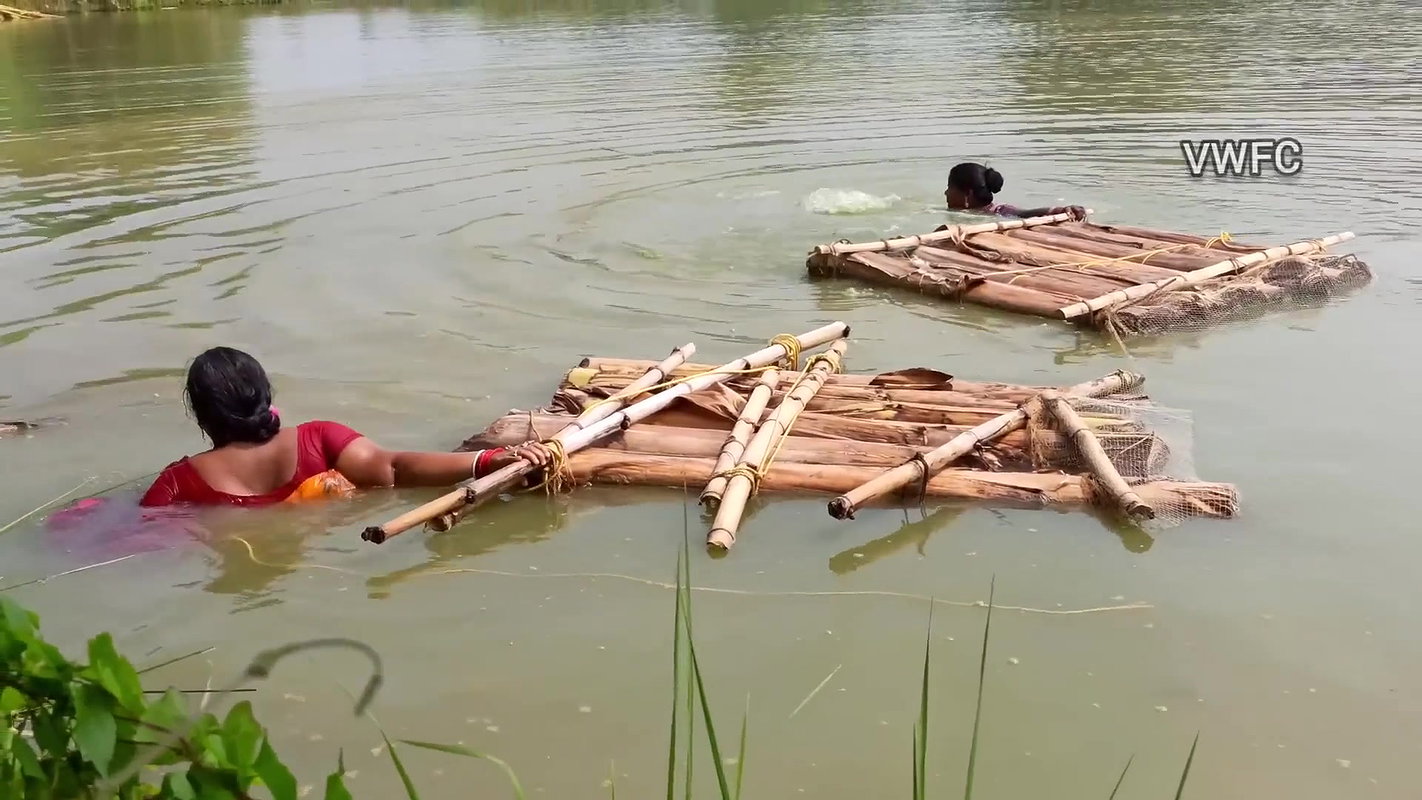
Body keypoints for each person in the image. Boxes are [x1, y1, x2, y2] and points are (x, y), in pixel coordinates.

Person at [139, 347, 555, 507]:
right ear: (266, 395)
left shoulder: (177, 484)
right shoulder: (319, 440)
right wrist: (490, 460)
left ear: (201, 415)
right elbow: (395, 469)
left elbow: (146, 542)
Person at [944, 162, 1087, 220]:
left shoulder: (999, 211)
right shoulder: (958, 214)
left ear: (967, 194)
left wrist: (1060, 210)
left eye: (950, 188)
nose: (946, 193)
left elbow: (1025, 213)